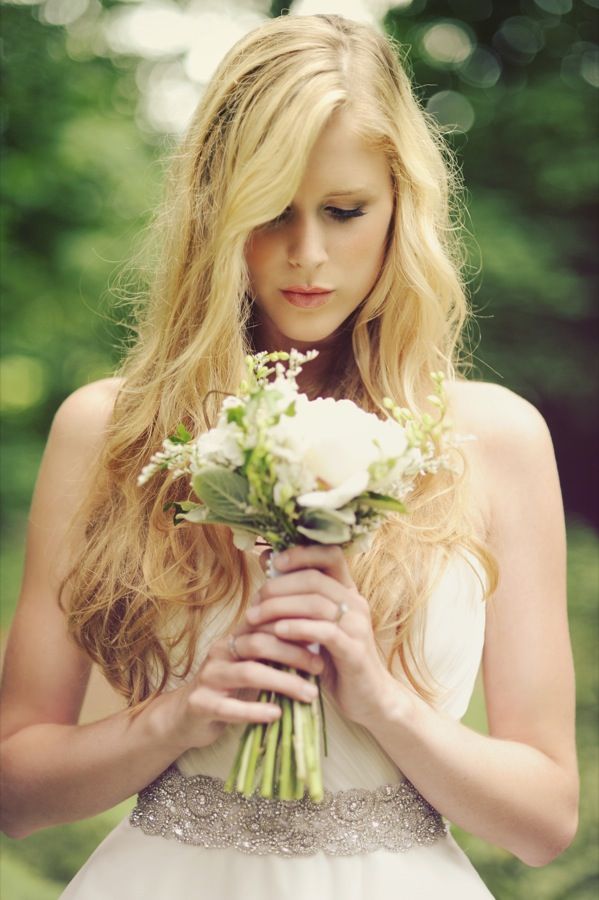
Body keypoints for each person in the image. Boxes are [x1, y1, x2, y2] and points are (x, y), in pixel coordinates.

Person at [0, 13, 578, 900]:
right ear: (212, 210)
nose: (307, 255)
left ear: (400, 210)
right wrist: (179, 718)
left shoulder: (492, 438)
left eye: (345, 213)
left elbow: (544, 822)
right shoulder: (110, 431)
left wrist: (381, 702)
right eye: (270, 212)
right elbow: (14, 789)